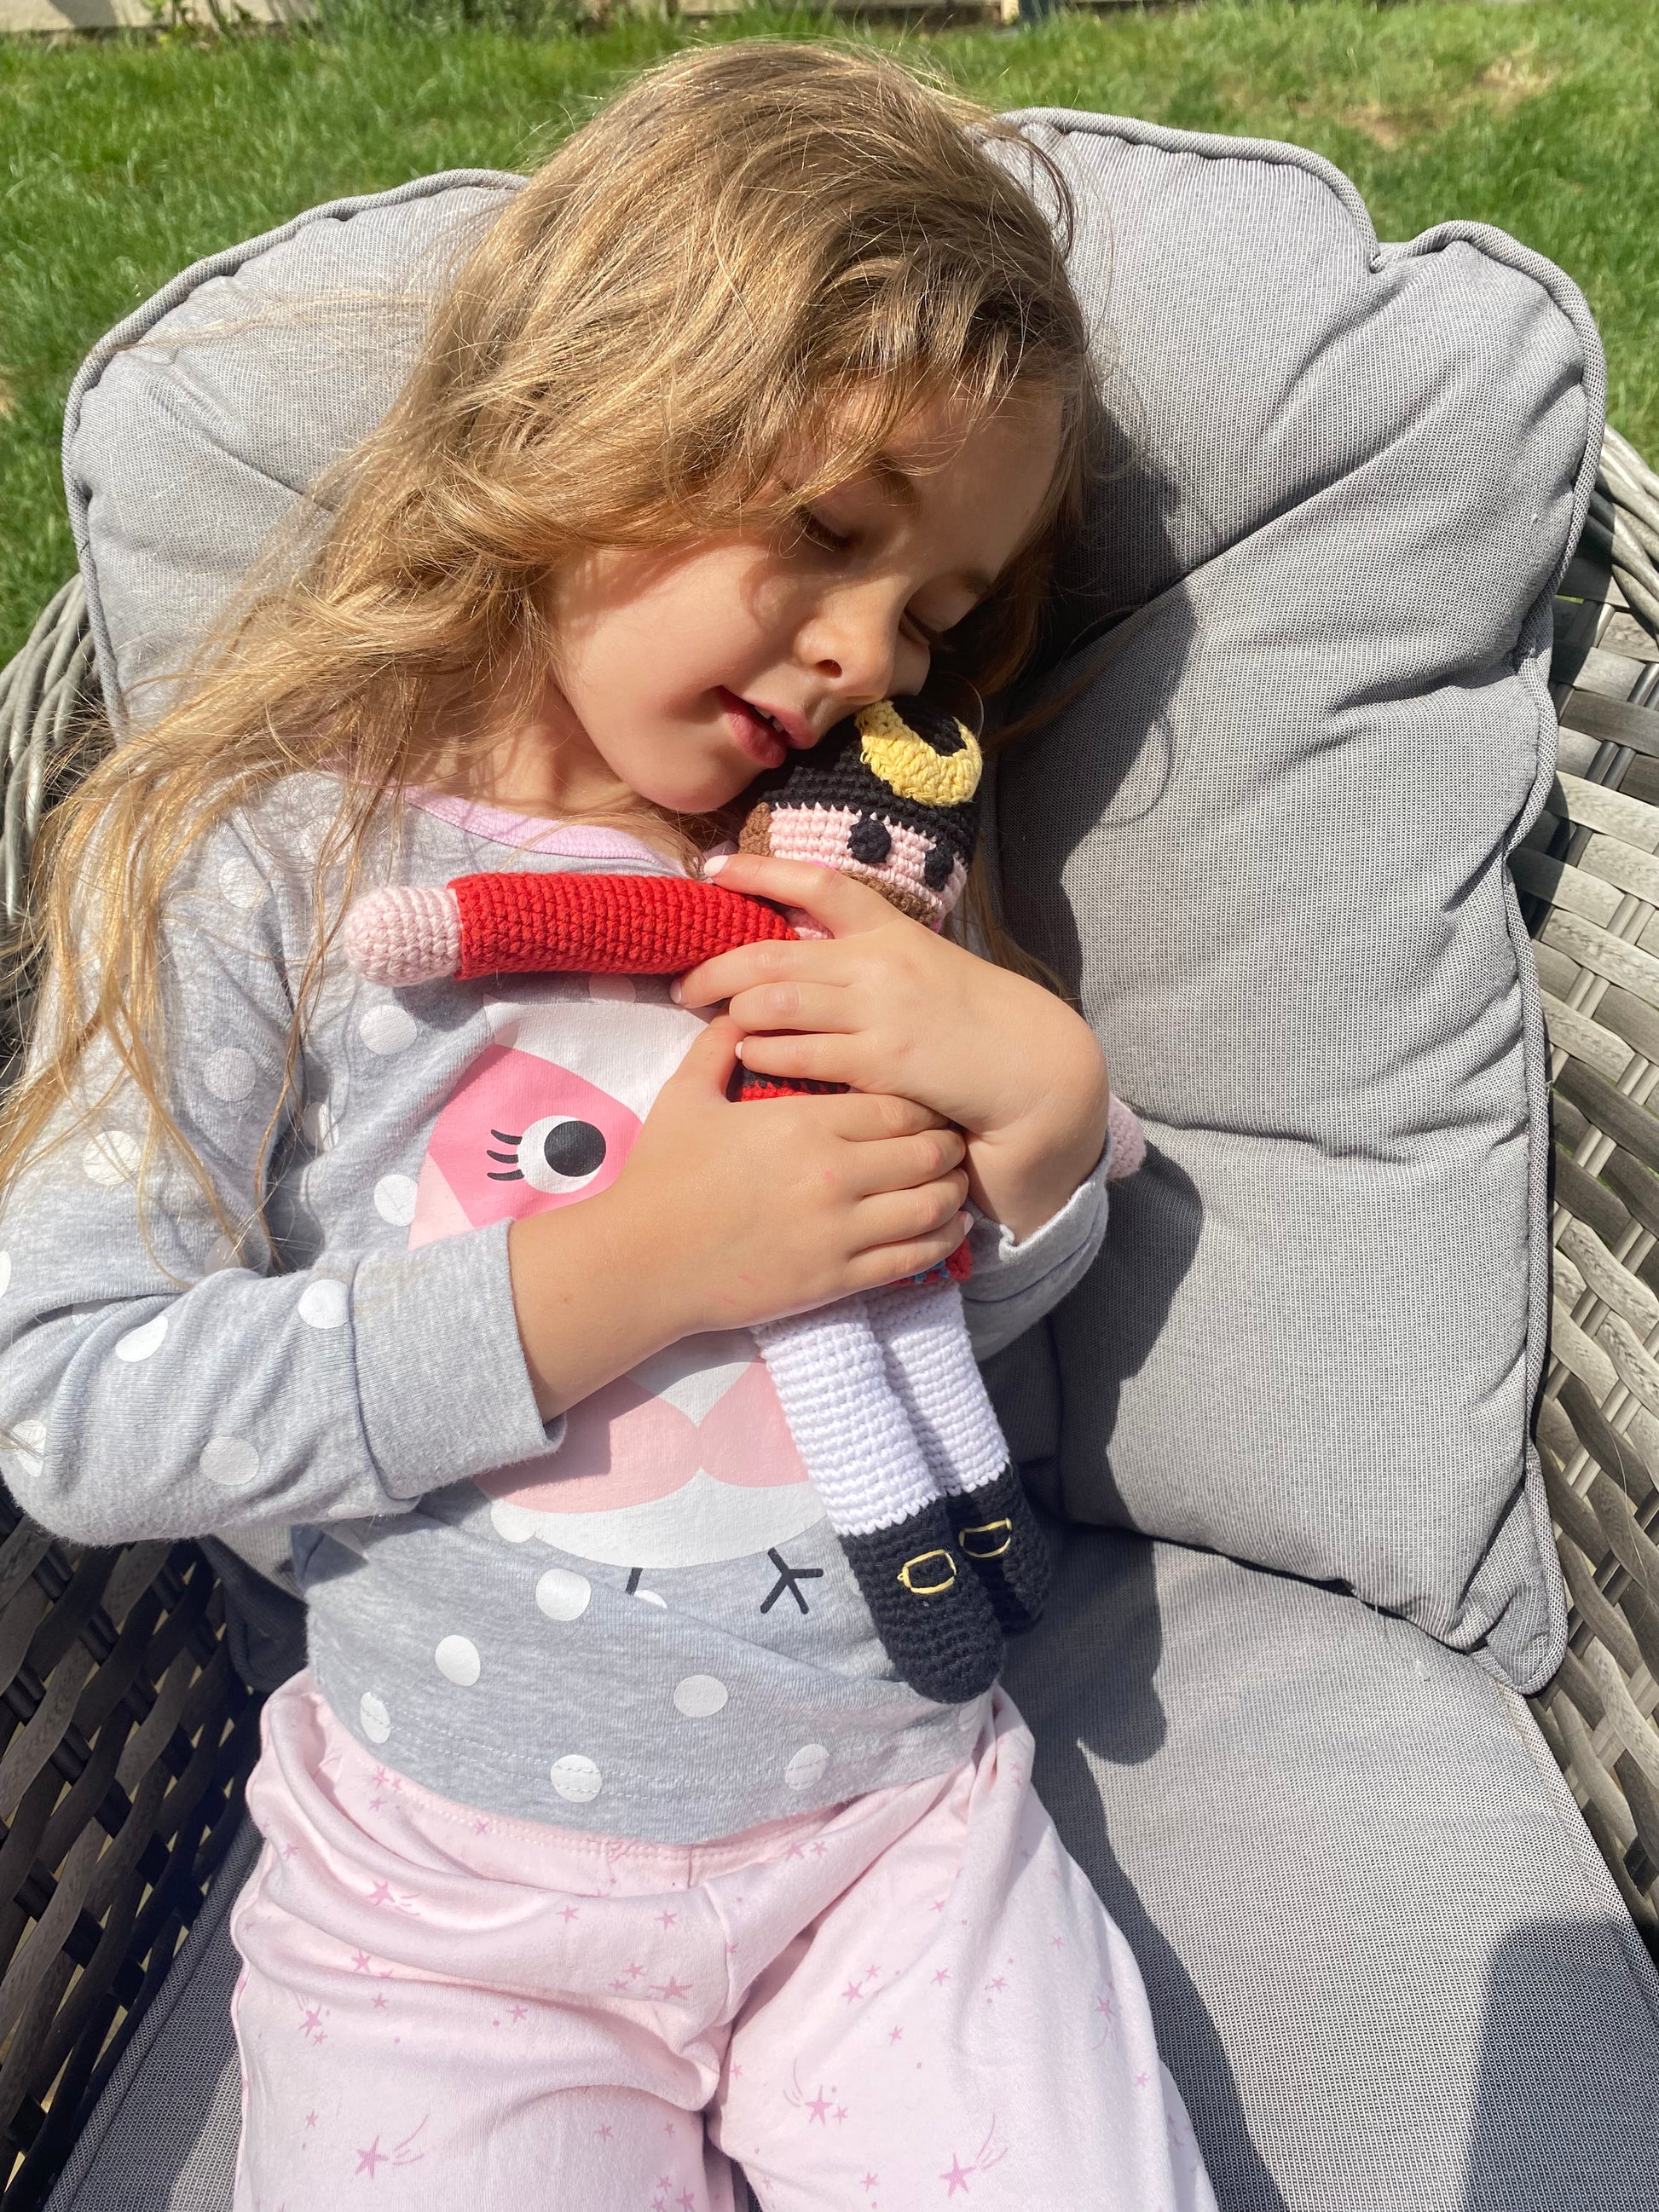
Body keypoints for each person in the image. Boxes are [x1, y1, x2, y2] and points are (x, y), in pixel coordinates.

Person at [0, 43, 1215, 2212]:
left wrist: (1037, 1116)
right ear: (585, 398)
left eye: (931, 613)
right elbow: (71, 1397)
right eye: (827, 534)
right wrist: (631, 1264)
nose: (863, 653)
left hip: (894, 1840)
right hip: (444, 1910)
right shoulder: (258, 859)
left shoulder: (843, 849)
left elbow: (928, 1299)